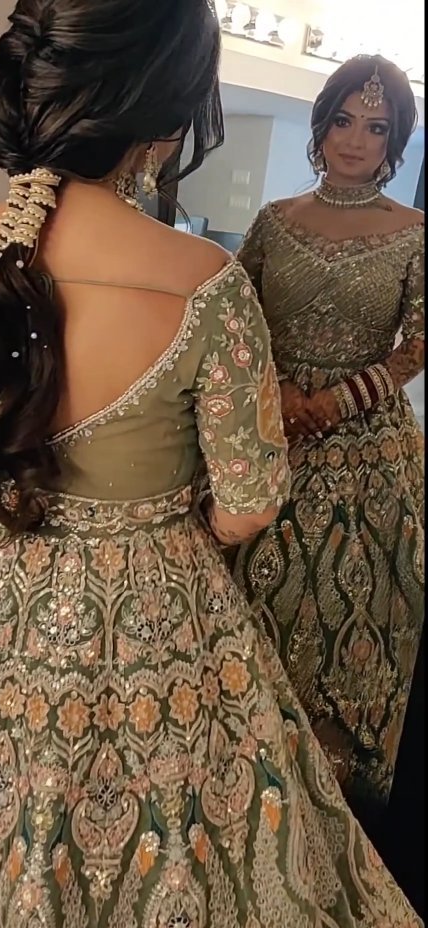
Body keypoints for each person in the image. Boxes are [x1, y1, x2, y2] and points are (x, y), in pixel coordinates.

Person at [0, 7, 423, 928]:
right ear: (169, 115)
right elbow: (250, 502)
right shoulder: (202, 278)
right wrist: (166, 533)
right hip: (149, 610)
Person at [235, 54, 424, 828]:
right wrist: (277, 391)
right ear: (321, 125)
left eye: (375, 127)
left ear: (394, 141)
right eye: (343, 120)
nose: (355, 139)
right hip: (270, 433)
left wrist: (337, 400)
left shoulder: (415, 233)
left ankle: (341, 792)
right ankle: (244, 766)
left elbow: (419, 344)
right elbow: (236, 322)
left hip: (369, 456)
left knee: (363, 604)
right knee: (254, 595)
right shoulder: (274, 221)